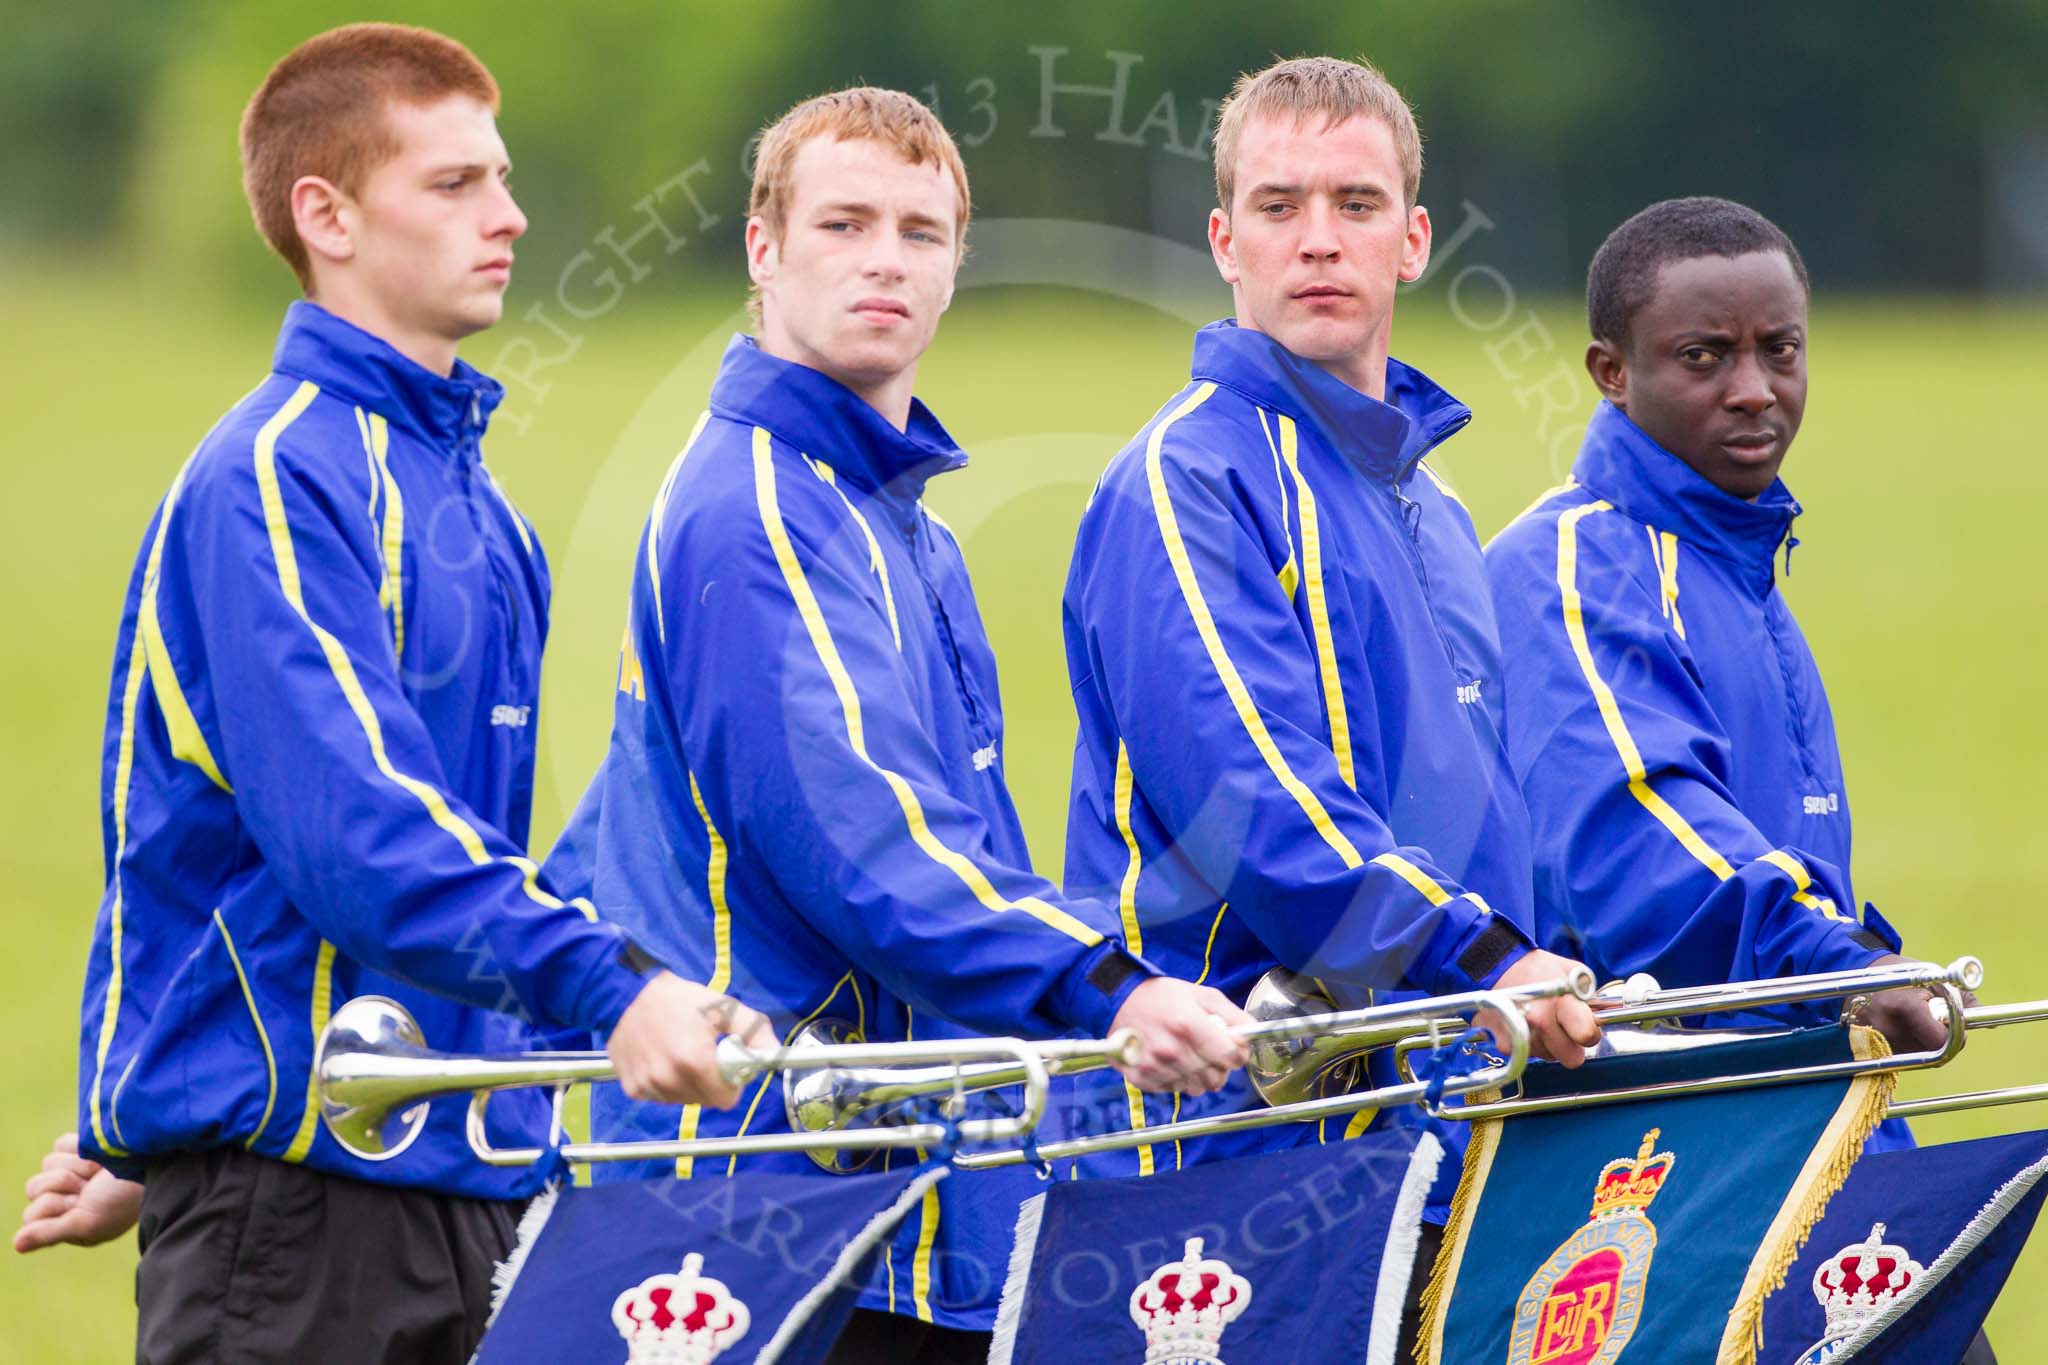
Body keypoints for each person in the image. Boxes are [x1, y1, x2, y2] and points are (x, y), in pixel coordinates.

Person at [13, 25, 762, 1362]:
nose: (512, 215)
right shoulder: (272, 481)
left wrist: (676, 981)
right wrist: (608, 984)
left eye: (506, 176)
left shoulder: (484, 508)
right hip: (297, 1229)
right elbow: (358, 832)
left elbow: (491, 858)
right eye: (456, 183)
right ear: (328, 215)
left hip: (461, 1186)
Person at [559, 87, 1251, 1364]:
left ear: (954, 268)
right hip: (785, 1201)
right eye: (844, 222)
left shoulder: (889, 516)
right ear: (763, 250)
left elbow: (606, 829)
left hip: (899, 1191)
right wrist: (1104, 986)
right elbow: (869, 847)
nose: (885, 258)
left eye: (920, 232)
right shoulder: (757, 506)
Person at [1055, 55, 1601, 1351]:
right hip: (1241, 1150)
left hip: (1444, 1118)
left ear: (1412, 240)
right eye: (1279, 204)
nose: (1318, 240)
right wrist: (1485, 961)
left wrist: (1562, 969)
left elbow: (1492, 818)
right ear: (1222, 241)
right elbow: (1258, 803)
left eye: (1356, 205)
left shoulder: (1439, 509)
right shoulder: (1184, 479)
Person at [1482, 198, 1952, 1053]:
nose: (1754, 391)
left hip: (1797, 1081)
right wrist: (1842, 967)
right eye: (1703, 357)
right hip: (1657, 1130)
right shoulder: (1570, 565)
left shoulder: (1742, 572)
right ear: (1610, 371)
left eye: (1782, 350)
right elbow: (1635, 839)